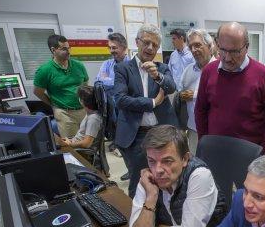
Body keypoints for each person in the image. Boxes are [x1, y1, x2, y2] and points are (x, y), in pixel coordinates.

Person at [124, 125, 226, 227]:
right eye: (152, 161)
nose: (158, 170)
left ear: (185, 159)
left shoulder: (199, 176)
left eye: (167, 161)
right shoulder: (148, 178)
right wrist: (151, 197)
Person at [195, 22, 265, 154]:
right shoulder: (209, 71)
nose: (227, 58)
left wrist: (264, 153)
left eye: (235, 51)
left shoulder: (264, 76)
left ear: (246, 47)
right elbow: (200, 110)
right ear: (217, 44)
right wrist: (204, 143)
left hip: (251, 153)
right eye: (223, 50)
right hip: (215, 149)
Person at [114, 24, 178, 198]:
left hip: (162, 134)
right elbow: (120, 99)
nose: (150, 48)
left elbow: (171, 87)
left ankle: (162, 213)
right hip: (137, 136)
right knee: (139, 181)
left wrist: (157, 76)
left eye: (155, 45)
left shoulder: (162, 68)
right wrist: (152, 102)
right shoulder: (123, 69)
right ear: (137, 42)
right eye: (146, 42)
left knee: (165, 177)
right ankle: (136, 219)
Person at [33, 34, 89, 138]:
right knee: (74, 147)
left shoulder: (78, 65)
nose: (68, 51)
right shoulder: (45, 70)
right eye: (64, 49)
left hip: (83, 110)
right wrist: (53, 104)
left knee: (89, 144)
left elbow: (85, 85)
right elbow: (38, 92)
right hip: (64, 113)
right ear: (53, 50)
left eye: (68, 48)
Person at [95, 32, 130, 180]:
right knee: (120, 142)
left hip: (127, 109)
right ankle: (130, 169)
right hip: (110, 108)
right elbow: (98, 80)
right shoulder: (107, 64)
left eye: (114, 47)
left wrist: (109, 81)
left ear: (124, 47)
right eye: (110, 48)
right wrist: (112, 82)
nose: (111, 51)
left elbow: (120, 85)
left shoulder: (131, 65)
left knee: (130, 143)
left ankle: (135, 169)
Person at [179, 28, 215, 153]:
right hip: (193, 129)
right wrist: (181, 95)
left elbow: (224, 98)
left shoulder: (221, 69)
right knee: (195, 165)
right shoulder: (188, 71)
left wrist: (194, 95)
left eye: (198, 45)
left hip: (215, 130)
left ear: (210, 46)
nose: (194, 50)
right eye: (191, 47)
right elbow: (181, 93)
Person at [60, 85, 102, 149]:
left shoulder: (93, 118)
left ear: (82, 101)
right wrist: (70, 141)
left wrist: (70, 144)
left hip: (78, 150)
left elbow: (86, 144)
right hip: (74, 143)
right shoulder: (89, 113)